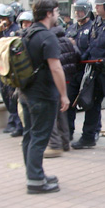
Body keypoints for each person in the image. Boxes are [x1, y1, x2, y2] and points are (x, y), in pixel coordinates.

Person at [19, 0, 70, 194]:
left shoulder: (28, 33)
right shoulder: (47, 37)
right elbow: (56, 68)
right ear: (49, 13)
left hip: (26, 93)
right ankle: (35, 181)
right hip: (42, 96)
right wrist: (64, 95)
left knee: (29, 135)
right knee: (40, 137)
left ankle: (34, 173)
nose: (57, 15)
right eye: (56, 11)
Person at [72, 0, 105, 152]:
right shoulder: (97, 21)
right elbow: (92, 45)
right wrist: (80, 58)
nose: (96, 7)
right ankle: (88, 136)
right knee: (91, 104)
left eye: (98, 5)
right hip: (94, 70)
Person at [44, 23, 80, 158]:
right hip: (68, 79)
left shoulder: (50, 41)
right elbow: (78, 55)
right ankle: (65, 142)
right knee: (62, 113)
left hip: (54, 80)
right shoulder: (67, 40)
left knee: (52, 113)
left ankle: (55, 143)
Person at [0, 4, 23, 137]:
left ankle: (16, 122)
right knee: (2, 90)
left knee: (13, 94)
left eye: (4, 18)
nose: (2, 20)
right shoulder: (0, 31)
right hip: (2, 68)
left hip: (12, 68)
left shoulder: (16, 30)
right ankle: (12, 118)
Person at [66, 0, 95, 139]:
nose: (78, 13)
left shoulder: (92, 27)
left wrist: (80, 56)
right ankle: (68, 132)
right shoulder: (71, 28)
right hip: (72, 71)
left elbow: (92, 48)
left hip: (86, 69)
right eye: (76, 11)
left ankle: (91, 132)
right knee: (69, 101)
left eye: (81, 10)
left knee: (88, 102)